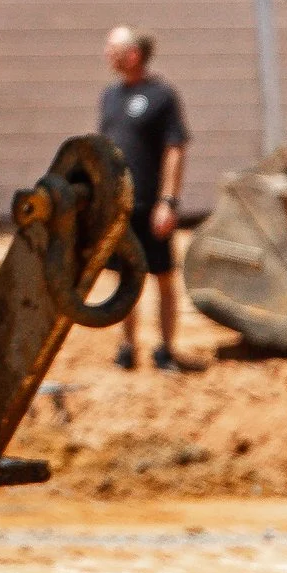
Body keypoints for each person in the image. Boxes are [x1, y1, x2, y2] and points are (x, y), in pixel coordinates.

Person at [99, 24, 190, 369]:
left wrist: (168, 201)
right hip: (119, 209)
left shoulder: (161, 96)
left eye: (112, 48)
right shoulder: (109, 97)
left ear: (133, 55)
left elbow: (175, 149)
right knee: (124, 277)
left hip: (152, 207)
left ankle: (166, 349)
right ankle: (127, 348)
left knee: (163, 277)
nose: (106, 55)